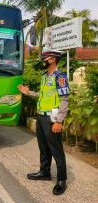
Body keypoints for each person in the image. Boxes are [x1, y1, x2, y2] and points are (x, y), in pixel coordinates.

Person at [17, 49, 70, 195]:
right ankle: (45, 172)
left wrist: (59, 121)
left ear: (52, 60)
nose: (42, 61)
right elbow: (43, 94)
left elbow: (65, 99)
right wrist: (29, 93)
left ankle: (61, 180)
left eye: (45, 58)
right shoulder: (45, 76)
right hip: (41, 117)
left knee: (56, 150)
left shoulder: (60, 77)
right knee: (44, 147)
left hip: (52, 119)